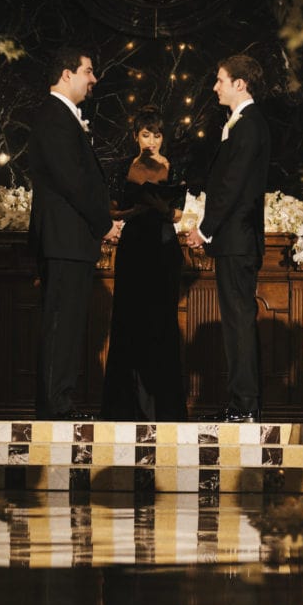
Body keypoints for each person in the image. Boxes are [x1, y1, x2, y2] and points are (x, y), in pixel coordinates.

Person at [29, 47, 121, 420]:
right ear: (66, 75)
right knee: (61, 324)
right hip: (64, 240)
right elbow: (72, 180)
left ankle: (59, 400)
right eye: (88, 70)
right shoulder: (54, 117)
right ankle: (55, 406)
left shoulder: (63, 118)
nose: (94, 78)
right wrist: (104, 223)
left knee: (67, 323)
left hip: (71, 240)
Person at [186, 55, 270, 422]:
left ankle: (245, 406)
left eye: (220, 80)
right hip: (236, 239)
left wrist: (205, 229)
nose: (215, 86)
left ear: (241, 84)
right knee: (236, 322)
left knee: (238, 322)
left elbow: (232, 185)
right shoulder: (241, 125)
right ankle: (241, 403)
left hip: (237, 239)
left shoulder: (249, 126)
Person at [101, 106, 187, 420]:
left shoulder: (174, 166)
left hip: (163, 247)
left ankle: (162, 407)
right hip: (134, 246)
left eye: (157, 134)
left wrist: (159, 206)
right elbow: (111, 209)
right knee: (128, 322)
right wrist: (133, 211)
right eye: (145, 134)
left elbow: (178, 213)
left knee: (161, 322)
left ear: (164, 137)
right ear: (136, 136)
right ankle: (125, 406)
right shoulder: (122, 166)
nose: (151, 140)